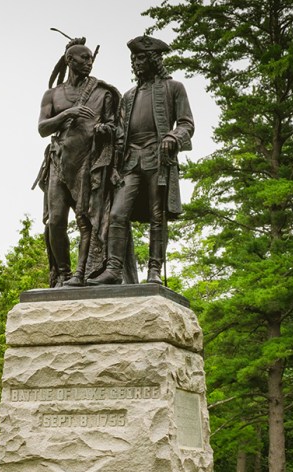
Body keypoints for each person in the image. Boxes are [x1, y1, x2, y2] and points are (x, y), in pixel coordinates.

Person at [88, 35, 194, 286]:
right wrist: (108, 139)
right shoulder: (129, 95)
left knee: (158, 216)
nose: (135, 63)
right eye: (133, 59)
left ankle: (154, 270)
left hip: (158, 159)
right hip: (130, 162)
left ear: (154, 60)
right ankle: (114, 269)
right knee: (117, 214)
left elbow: (187, 124)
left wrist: (173, 137)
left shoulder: (174, 88)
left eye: (140, 58)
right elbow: (121, 132)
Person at [34, 37, 121, 287]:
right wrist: (67, 114)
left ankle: (82, 274)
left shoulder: (102, 92)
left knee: (87, 221)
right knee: (56, 221)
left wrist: (105, 129)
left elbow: (115, 126)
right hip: (59, 161)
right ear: (69, 60)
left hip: (88, 163)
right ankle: (62, 274)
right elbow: (42, 129)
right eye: (84, 58)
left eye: (91, 58)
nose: (89, 62)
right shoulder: (52, 94)